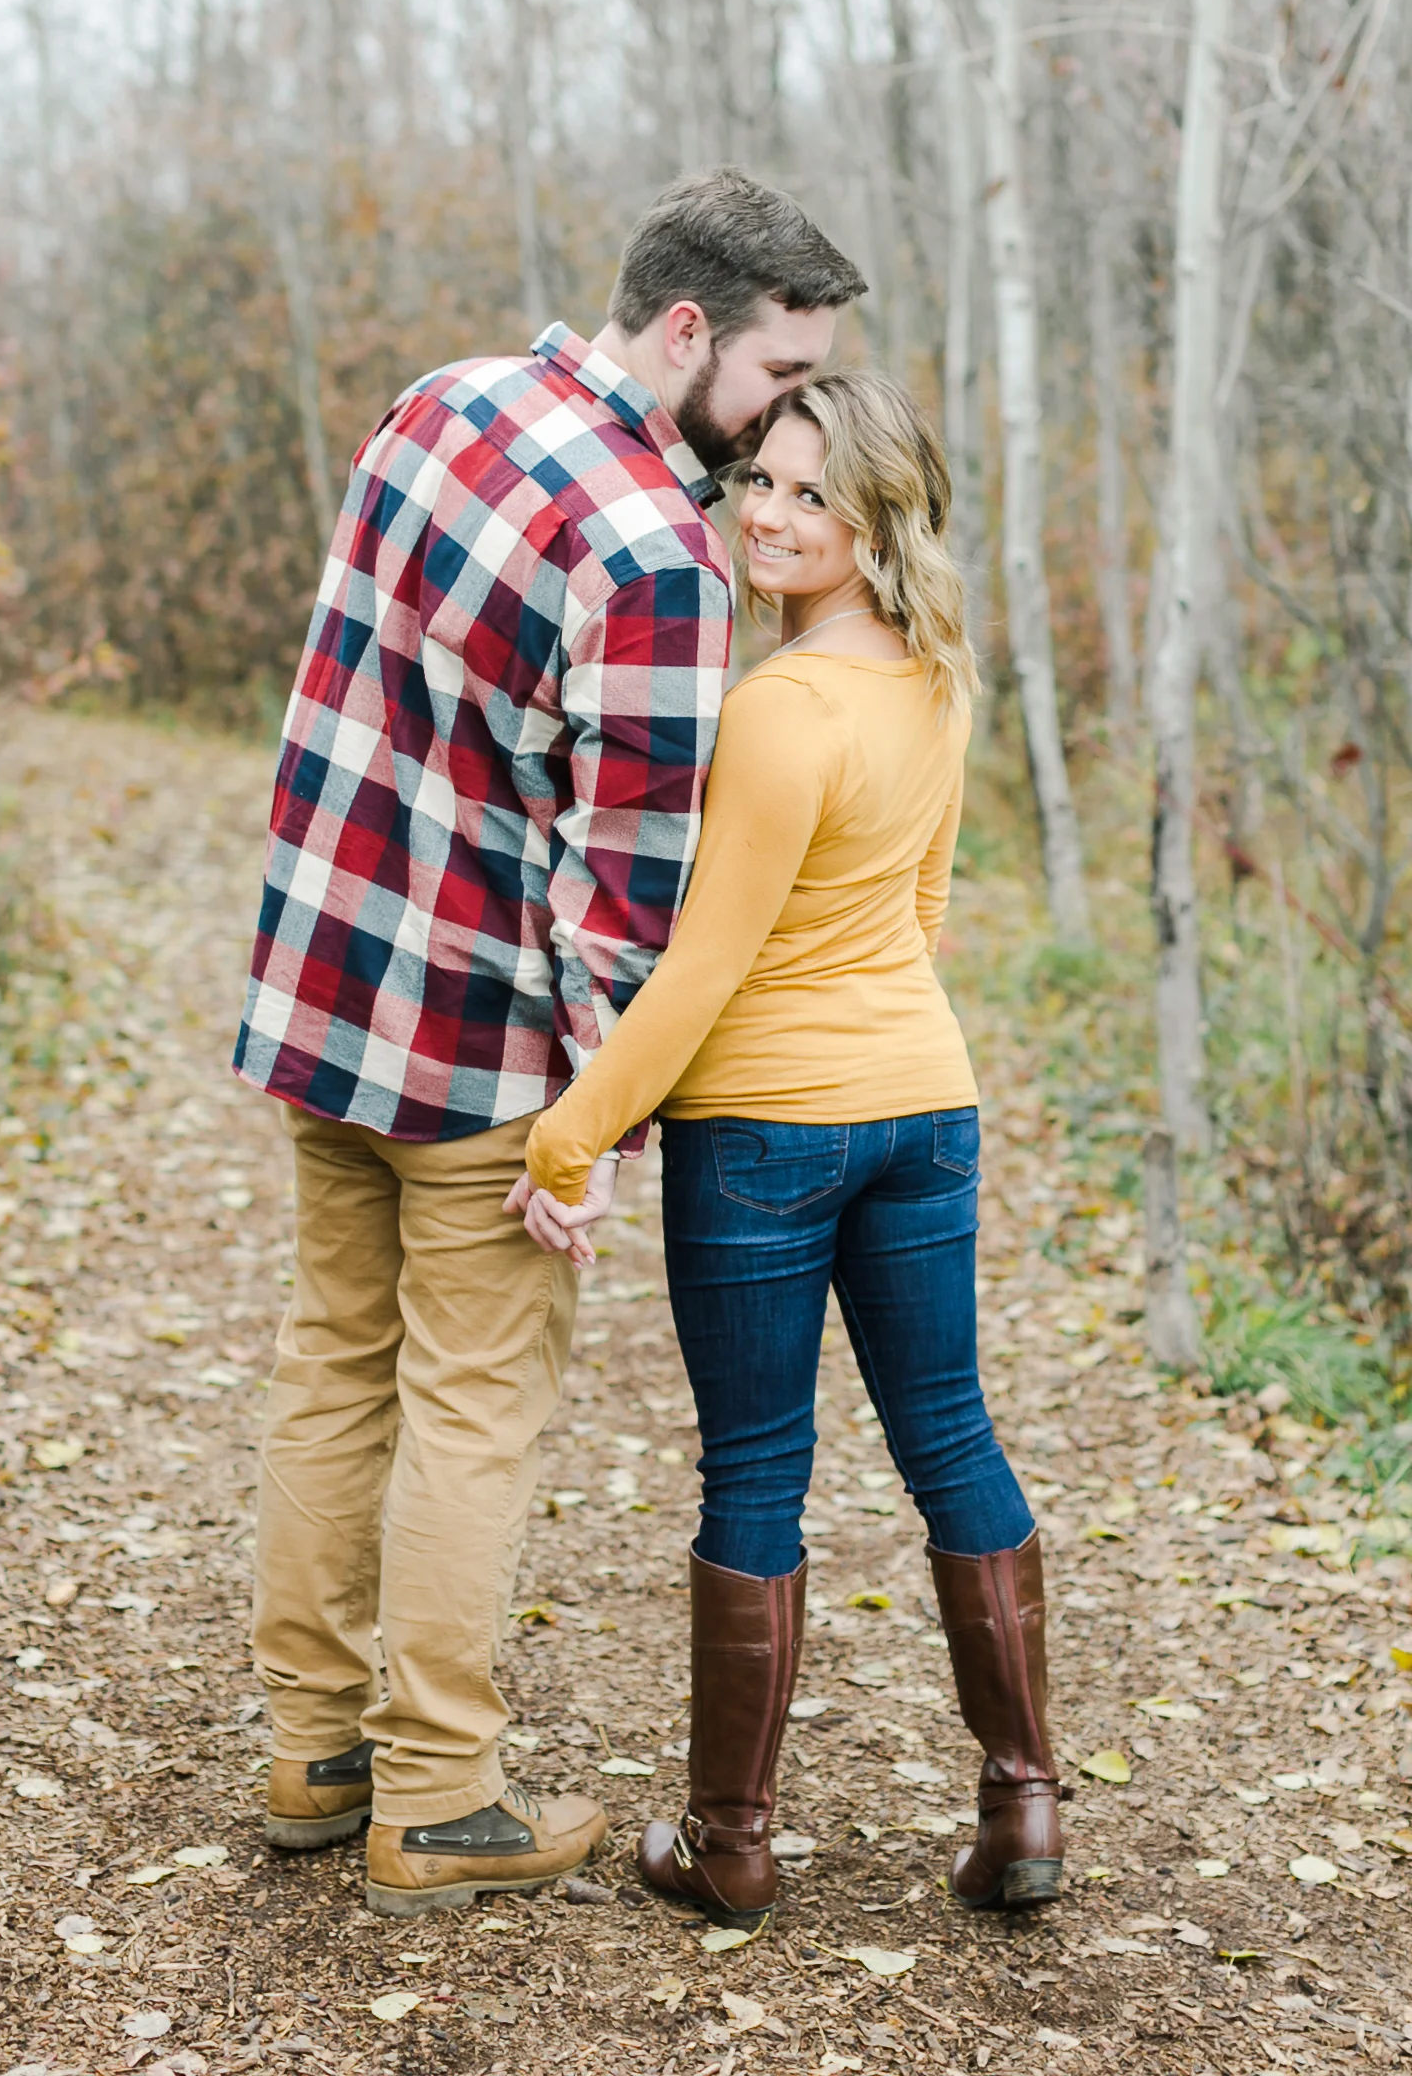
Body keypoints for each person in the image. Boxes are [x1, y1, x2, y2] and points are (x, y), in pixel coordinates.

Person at [231, 169, 864, 1916]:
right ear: (687, 329)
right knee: (473, 1408)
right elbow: (629, 893)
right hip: (478, 1055)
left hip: (322, 992)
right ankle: (437, 1798)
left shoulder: (442, 400)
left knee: (332, 1362)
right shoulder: (657, 549)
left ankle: (312, 1754)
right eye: (777, 374)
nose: (782, 421)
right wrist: (598, 1126)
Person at [512, 369, 1063, 1930]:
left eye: (813, 495)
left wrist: (569, 1136)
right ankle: (1025, 1802)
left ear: (880, 521)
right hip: (925, 1106)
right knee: (949, 1433)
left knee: (758, 1463)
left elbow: (704, 970)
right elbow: (924, 913)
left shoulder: (777, 707)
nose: (767, 512)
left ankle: (731, 1842)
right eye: (762, 477)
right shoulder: (940, 678)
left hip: (763, 1125)